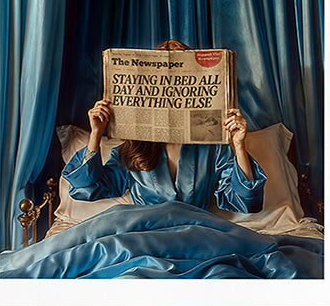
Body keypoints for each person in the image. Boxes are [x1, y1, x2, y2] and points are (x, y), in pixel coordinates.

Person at [63, 41, 266, 214]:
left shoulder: (213, 149)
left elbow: (246, 202)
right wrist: (96, 134)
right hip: (145, 236)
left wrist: (239, 146)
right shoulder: (132, 151)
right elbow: (86, 188)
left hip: (195, 234)